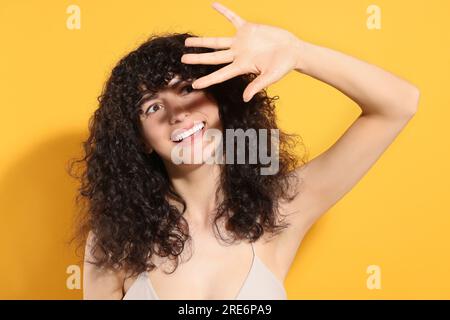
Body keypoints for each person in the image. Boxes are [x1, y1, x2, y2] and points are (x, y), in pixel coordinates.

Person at [71, 2, 420, 300]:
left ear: (221, 102)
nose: (177, 112)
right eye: (152, 107)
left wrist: (298, 52)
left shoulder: (282, 209)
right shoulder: (114, 240)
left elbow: (400, 104)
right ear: (142, 140)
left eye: (187, 88)